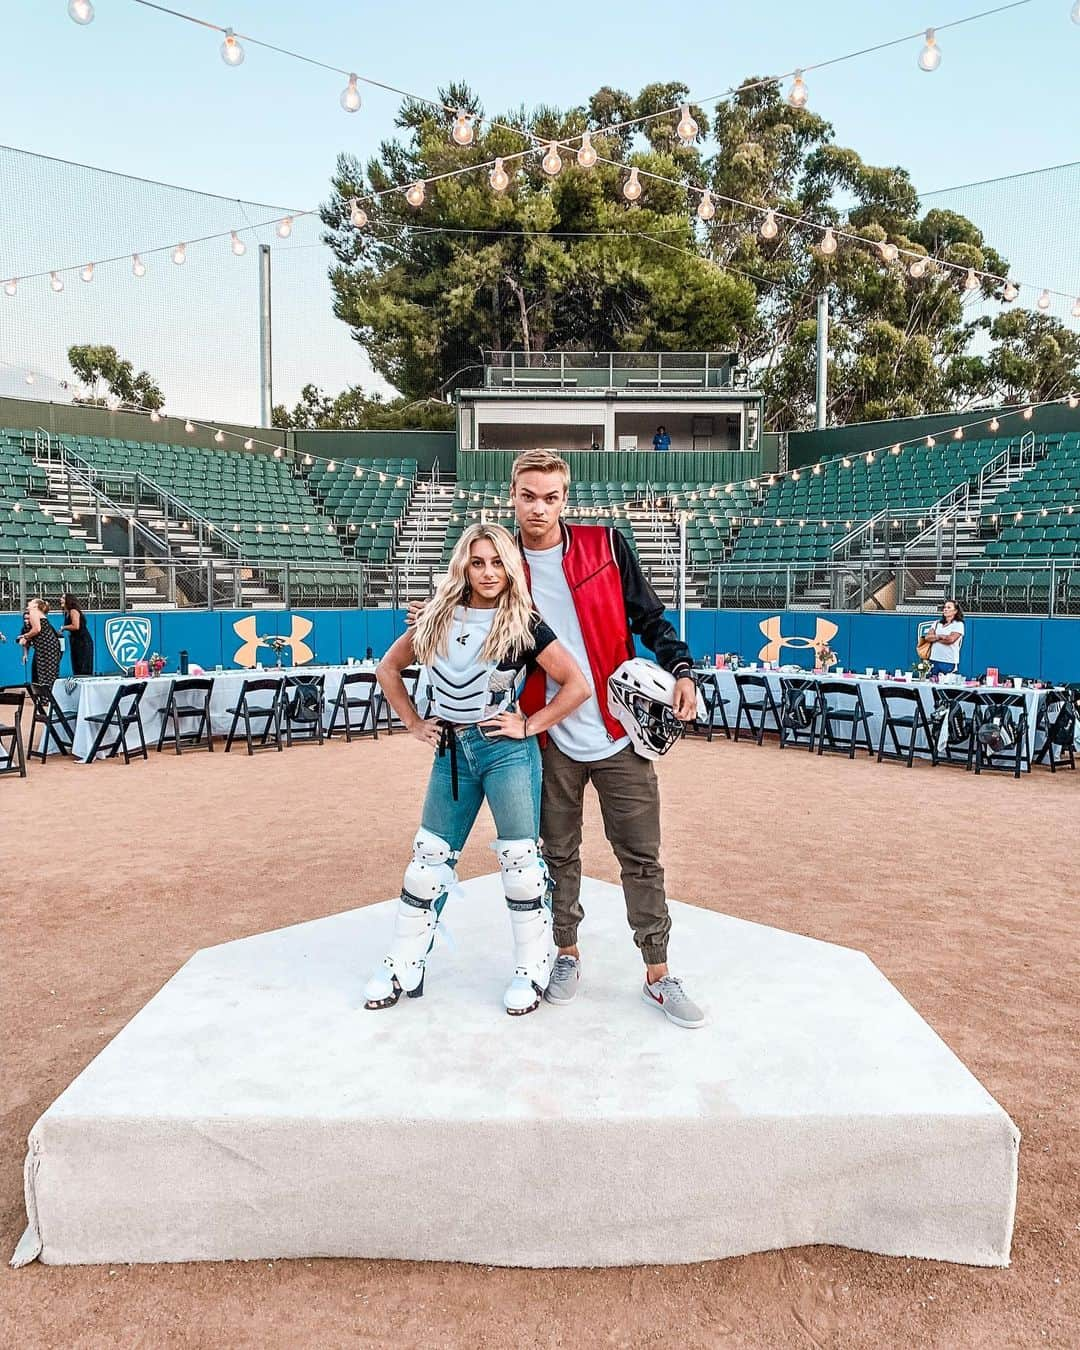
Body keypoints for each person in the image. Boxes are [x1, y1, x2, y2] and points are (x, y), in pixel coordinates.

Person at [511, 449, 705, 1028]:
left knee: (641, 856)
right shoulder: (502, 561)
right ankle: (564, 954)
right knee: (559, 855)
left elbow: (651, 620)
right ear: (513, 496)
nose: (538, 507)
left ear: (564, 499)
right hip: (547, 736)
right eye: (528, 496)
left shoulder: (606, 546)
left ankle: (658, 971)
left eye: (550, 497)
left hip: (621, 732)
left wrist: (683, 669)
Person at [368, 524, 589, 1017]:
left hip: (504, 750)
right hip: (450, 751)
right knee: (427, 862)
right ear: (463, 566)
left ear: (509, 566)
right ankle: (405, 961)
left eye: (496, 562)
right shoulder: (436, 617)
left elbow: (578, 684)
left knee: (520, 865)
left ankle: (532, 968)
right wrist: (413, 723)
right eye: (477, 562)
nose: (488, 573)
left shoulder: (525, 622)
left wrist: (530, 725)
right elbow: (388, 668)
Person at [16, 597, 62, 690]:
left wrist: (25, 636)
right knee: (49, 673)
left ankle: (47, 699)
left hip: (46, 646)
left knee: (45, 674)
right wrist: (25, 637)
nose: (29, 602)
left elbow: (37, 629)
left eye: (31, 602)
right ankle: (49, 698)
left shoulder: (33, 612)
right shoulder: (37, 613)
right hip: (48, 646)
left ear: (36, 605)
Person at [925, 599, 965, 678]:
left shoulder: (958, 624)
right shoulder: (936, 623)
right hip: (934, 659)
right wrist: (940, 636)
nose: (945, 609)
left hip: (948, 660)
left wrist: (936, 637)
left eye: (949, 607)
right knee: (932, 681)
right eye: (945, 607)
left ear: (955, 611)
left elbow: (950, 640)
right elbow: (928, 637)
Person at [61, 593, 94, 676]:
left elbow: (76, 626)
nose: (60, 599)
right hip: (75, 641)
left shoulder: (73, 611)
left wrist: (64, 628)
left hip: (82, 641)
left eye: (63, 598)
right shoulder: (67, 613)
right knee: (76, 664)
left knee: (82, 664)